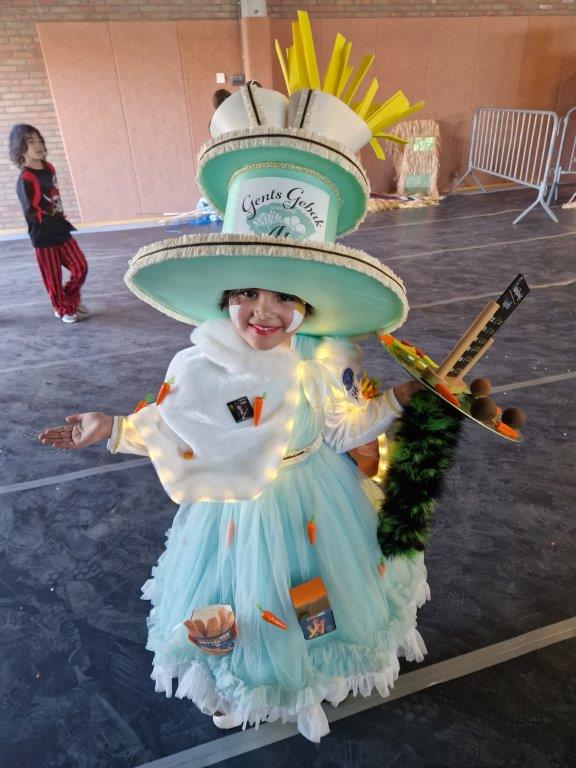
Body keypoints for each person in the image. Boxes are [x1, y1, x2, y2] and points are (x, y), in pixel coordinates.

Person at [39, 283, 425, 742]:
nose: (265, 311)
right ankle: (247, 680)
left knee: (308, 584)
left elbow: (342, 431)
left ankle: (313, 666)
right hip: (236, 508)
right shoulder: (204, 365)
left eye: (284, 297)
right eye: (248, 295)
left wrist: (396, 399)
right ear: (226, 302)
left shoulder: (319, 361)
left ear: (306, 307)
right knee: (242, 591)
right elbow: (177, 431)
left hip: (312, 495)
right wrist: (113, 427)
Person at [9, 123, 88, 323]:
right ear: (20, 148)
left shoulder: (49, 168)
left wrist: (59, 216)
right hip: (43, 236)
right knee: (53, 278)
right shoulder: (25, 179)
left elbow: (54, 197)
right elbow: (32, 212)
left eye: (39, 140)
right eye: (31, 141)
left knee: (80, 267)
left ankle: (69, 300)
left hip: (61, 229)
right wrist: (47, 223)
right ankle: (62, 308)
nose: (38, 145)